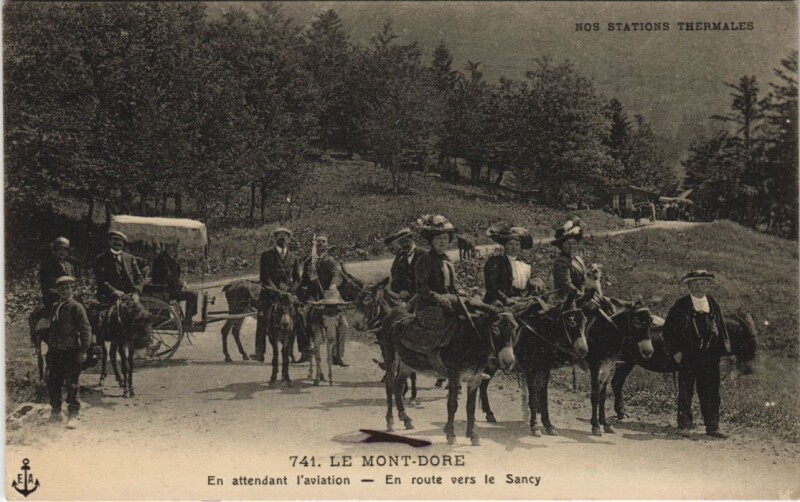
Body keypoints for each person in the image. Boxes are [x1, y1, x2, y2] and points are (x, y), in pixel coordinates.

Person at [662, 270, 731, 439]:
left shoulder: (713, 303)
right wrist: (676, 351)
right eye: (695, 283)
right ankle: (684, 425)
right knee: (686, 391)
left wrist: (724, 353)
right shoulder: (681, 305)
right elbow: (668, 331)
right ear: (689, 286)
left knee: (711, 392)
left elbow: (721, 329)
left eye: (703, 283)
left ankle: (712, 426)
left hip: (710, 356)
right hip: (688, 355)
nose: (699, 287)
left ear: (708, 285)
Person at [46, 276, 91, 429]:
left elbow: (86, 330)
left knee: (71, 383)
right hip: (55, 351)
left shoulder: (76, 307)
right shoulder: (55, 307)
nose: (65, 291)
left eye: (67, 288)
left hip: (70, 351)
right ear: (57, 291)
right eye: (61, 289)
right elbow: (51, 329)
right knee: (53, 380)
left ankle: (73, 414)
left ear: (72, 289)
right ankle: (56, 411)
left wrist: (84, 350)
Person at [298, 232, 349, 366]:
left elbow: (337, 275)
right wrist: (306, 279)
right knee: (302, 319)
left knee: (343, 325)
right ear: (314, 245)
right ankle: (305, 351)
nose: (320, 243)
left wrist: (333, 285)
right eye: (318, 242)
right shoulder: (309, 261)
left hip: (329, 297)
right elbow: (303, 280)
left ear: (327, 245)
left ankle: (337, 355)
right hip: (312, 297)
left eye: (323, 241)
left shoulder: (331, 260)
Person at [254, 227, 302, 363]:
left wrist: (291, 290)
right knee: (262, 317)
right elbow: (265, 277)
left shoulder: (294, 258)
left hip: (288, 294)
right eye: (279, 237)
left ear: (289, 240)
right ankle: (259, 351)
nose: (282, 240)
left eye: (285, 237)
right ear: (275, 239)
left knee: (300, 315)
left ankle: (303, 349)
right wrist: (277, 291)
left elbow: (297, 278)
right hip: (270, 294)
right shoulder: (266, 255)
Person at [483, 225, 545, 307]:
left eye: (517, 245)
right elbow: (491, 285)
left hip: (517, 300)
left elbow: (534, 277)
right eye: (510, 244)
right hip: (498, 301)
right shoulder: (496, 261)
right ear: (505, 246)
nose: (514, 248)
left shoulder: (523, 264)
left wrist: (537, 281)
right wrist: (505, 298)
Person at [151, 244, 198, 326]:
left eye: (176, 247)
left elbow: (173, 276)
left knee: (194, 293)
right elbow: (165, 277)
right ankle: (188, 320)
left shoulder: (169, 258)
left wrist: (180, 282)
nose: (175, 249)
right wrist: (179, 284)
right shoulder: (162, 259)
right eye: (172, 247)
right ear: (167, 247)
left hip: (170, 289)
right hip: (166, 291)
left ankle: (189, 318)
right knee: (192, 294)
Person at [94, 230, 144, 304]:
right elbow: (100, 279)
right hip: (108, 297)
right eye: (115, 240)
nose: (118, 243)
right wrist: (114, 291)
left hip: (129, 297)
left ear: (123, 244)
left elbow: (139, 277)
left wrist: (136, 293)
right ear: (109, 242)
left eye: (121, 241)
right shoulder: (101, 259)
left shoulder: (130, 258)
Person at [552, 218, 588, 304]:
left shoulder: (577, 259)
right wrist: (581, 295)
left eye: (574, 243)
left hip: (580, 296)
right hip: (567, 299)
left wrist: (584, 293)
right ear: (561, 245)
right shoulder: (561, 262)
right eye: (568, 243)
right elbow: (566, 284)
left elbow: (583, 280)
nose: (571, 246)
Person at [385, 227, 421, 300]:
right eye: (401, 243)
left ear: (412, 239)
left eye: (406, 241)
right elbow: (396, 277)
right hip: (406, 298)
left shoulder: (423, 254)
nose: (404, 245)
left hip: (421, 296)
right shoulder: (401, 258)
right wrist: (401, 290)